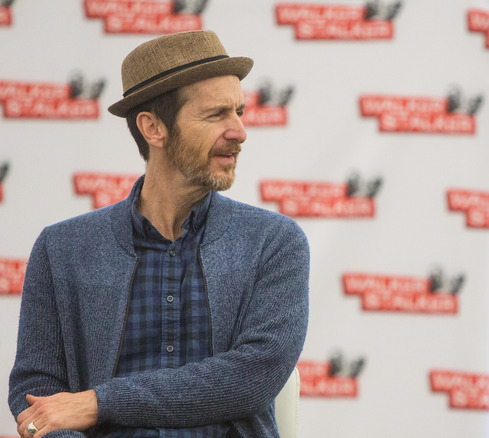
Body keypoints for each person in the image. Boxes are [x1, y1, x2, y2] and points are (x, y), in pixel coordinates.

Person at [8, 30, 309, 437]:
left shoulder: (273, 242)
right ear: (153, 129)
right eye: (217, 114)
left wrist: (99, 403)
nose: (239, 131)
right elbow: (35, 389)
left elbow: (252, 377)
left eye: (239, 112)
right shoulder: (62, 248)